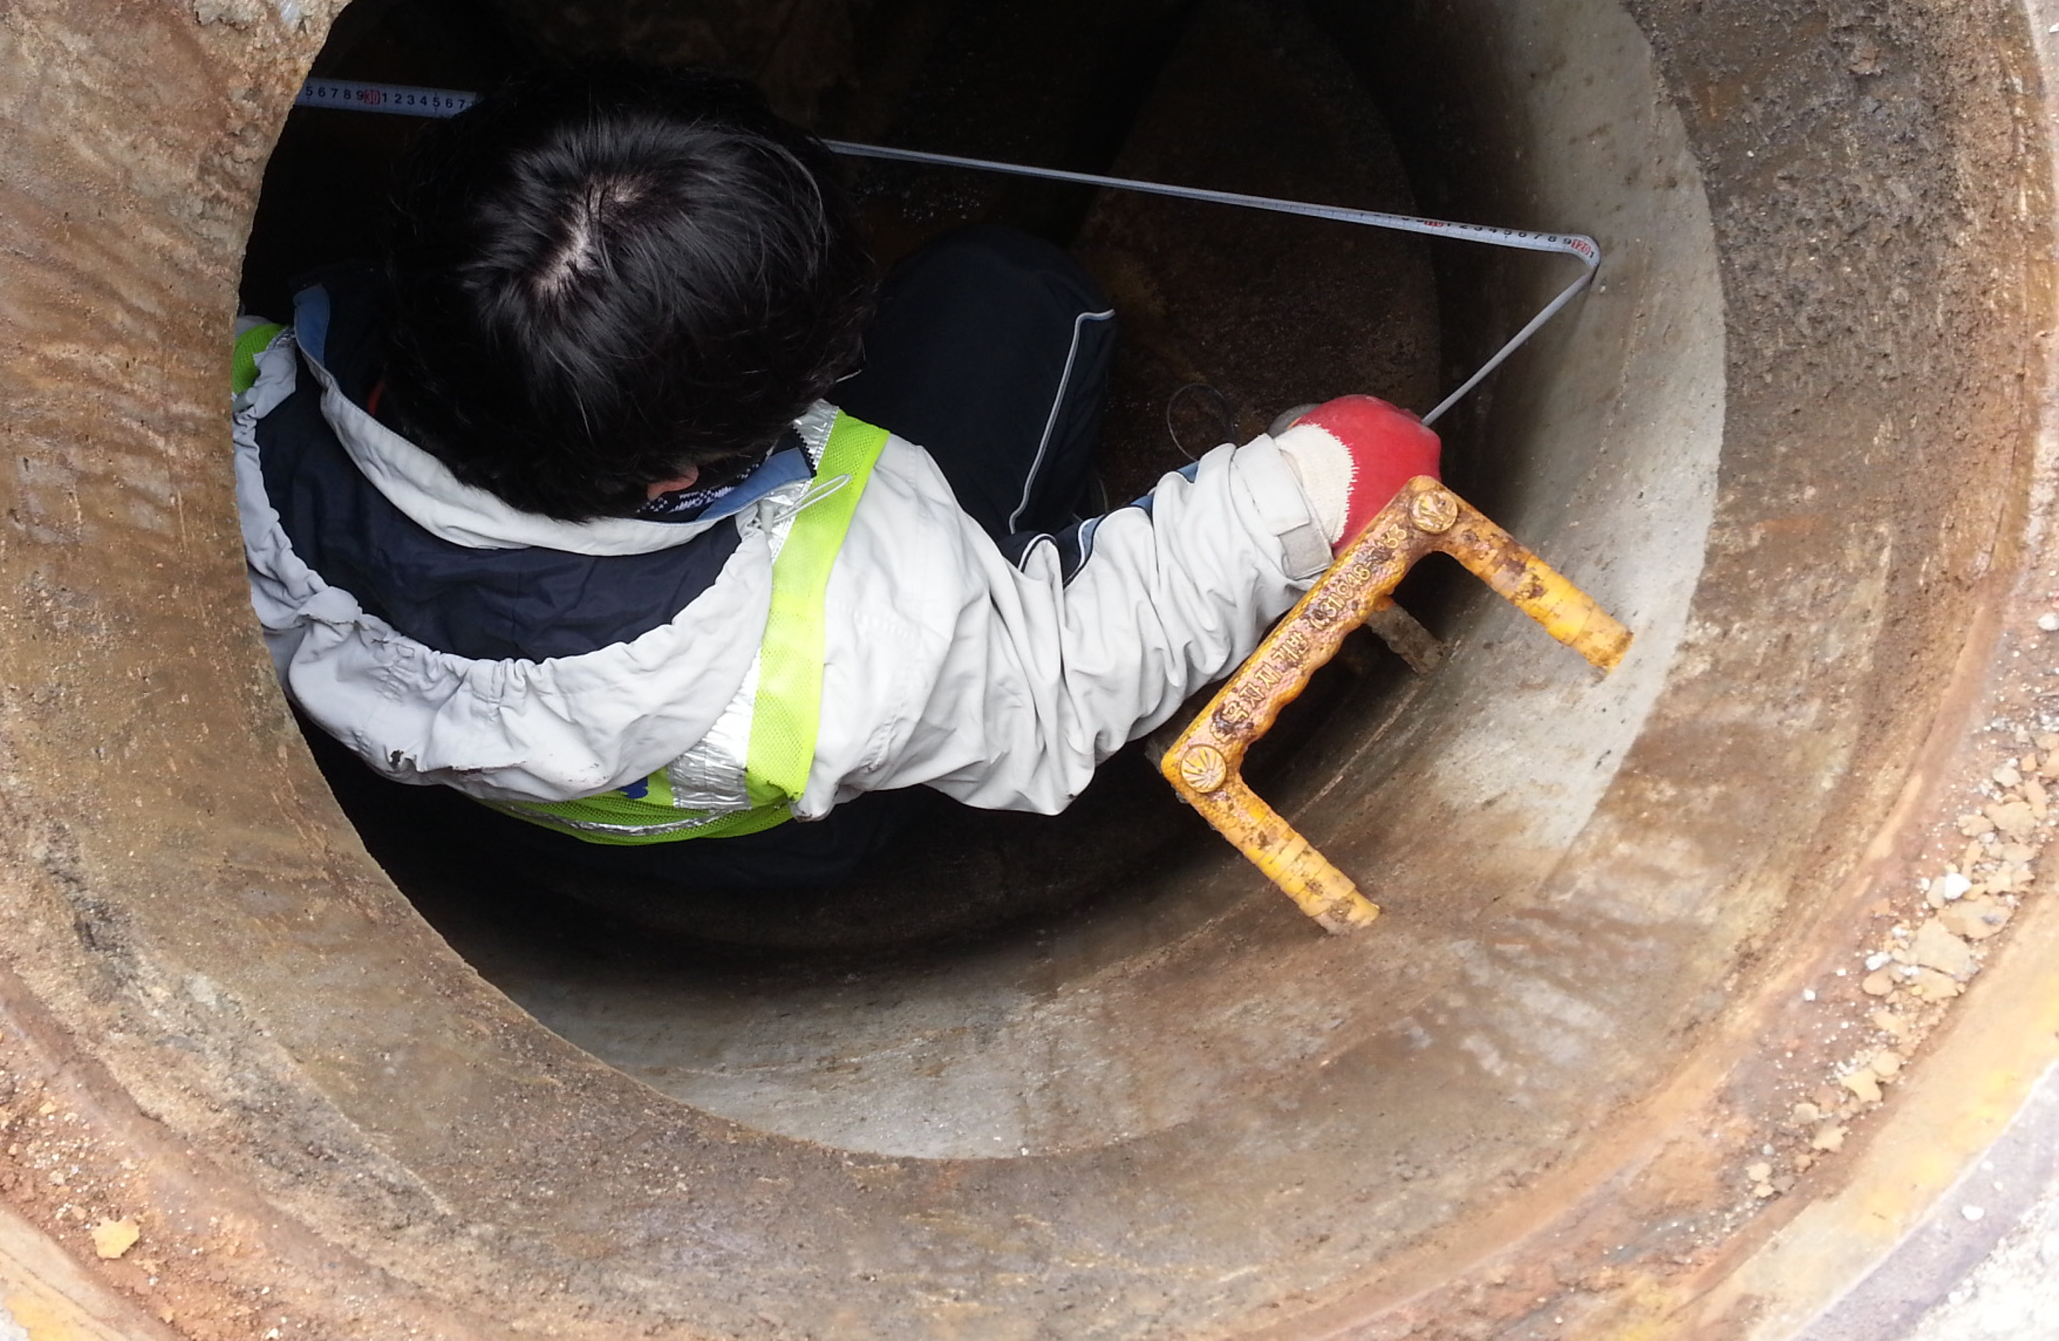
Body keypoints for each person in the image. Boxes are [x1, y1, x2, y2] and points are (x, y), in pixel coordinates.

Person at [232, 63, 1439, 888]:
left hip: (551, 815)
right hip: (782, 819)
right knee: (1009, 293)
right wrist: (1306, 496)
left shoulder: (218, 398)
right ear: (678, 475)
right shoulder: (842, 643)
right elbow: (1055, 683)